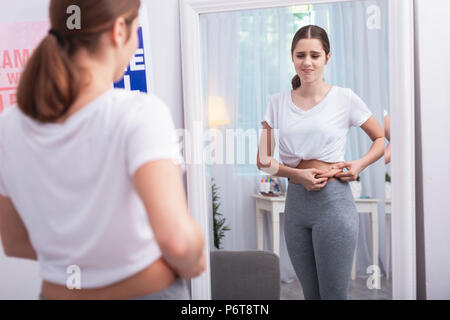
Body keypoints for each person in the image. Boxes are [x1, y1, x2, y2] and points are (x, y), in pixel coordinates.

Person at [0, 0, 205, 300]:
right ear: (119, 30)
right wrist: (195, 260)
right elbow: (178, 242)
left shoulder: (7, 126)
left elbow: (15, 241)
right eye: (136, 29)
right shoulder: (138, 114)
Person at [257, 25, 385, 300]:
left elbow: (380, 138)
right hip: (296, 205)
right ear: (292, 57)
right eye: (300, 55)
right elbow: (263, 160)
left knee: (333, 295)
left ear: (328, 57)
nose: (307, 62)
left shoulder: (345, 98)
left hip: (334, 205)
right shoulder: (277, 103)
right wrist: (296, 175)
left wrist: (359, 164)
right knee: (311, 295)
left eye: (315, 55)